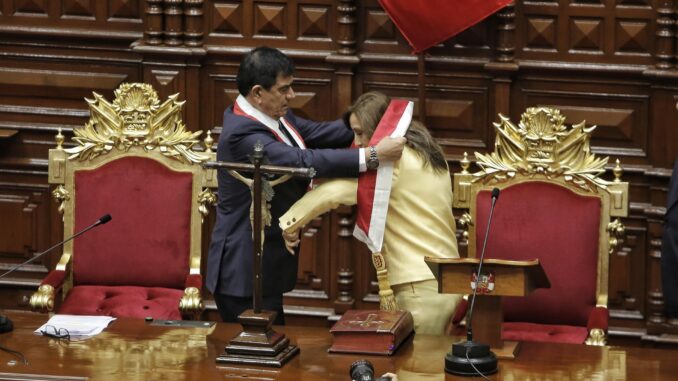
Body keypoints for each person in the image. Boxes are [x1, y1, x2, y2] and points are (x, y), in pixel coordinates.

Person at [207, 47, 406, 325]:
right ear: (257, 93)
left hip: (266, 267)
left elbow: (319, 133)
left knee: (273, 348)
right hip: (242, 272)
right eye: (284, 89)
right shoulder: (242, 133)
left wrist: (373, 122)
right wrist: (372, 155)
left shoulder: (275, 115)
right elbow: (301, 160)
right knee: (255, 361)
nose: (292, 96)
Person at [280, 91, 461, 334]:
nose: (359, 143)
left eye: (361, 133)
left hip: (418, 288)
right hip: (448, 280)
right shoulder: (429, 152)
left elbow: (336, 192)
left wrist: (289, 223)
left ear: (380, 129)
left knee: (418, 371)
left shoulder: (391, 163)